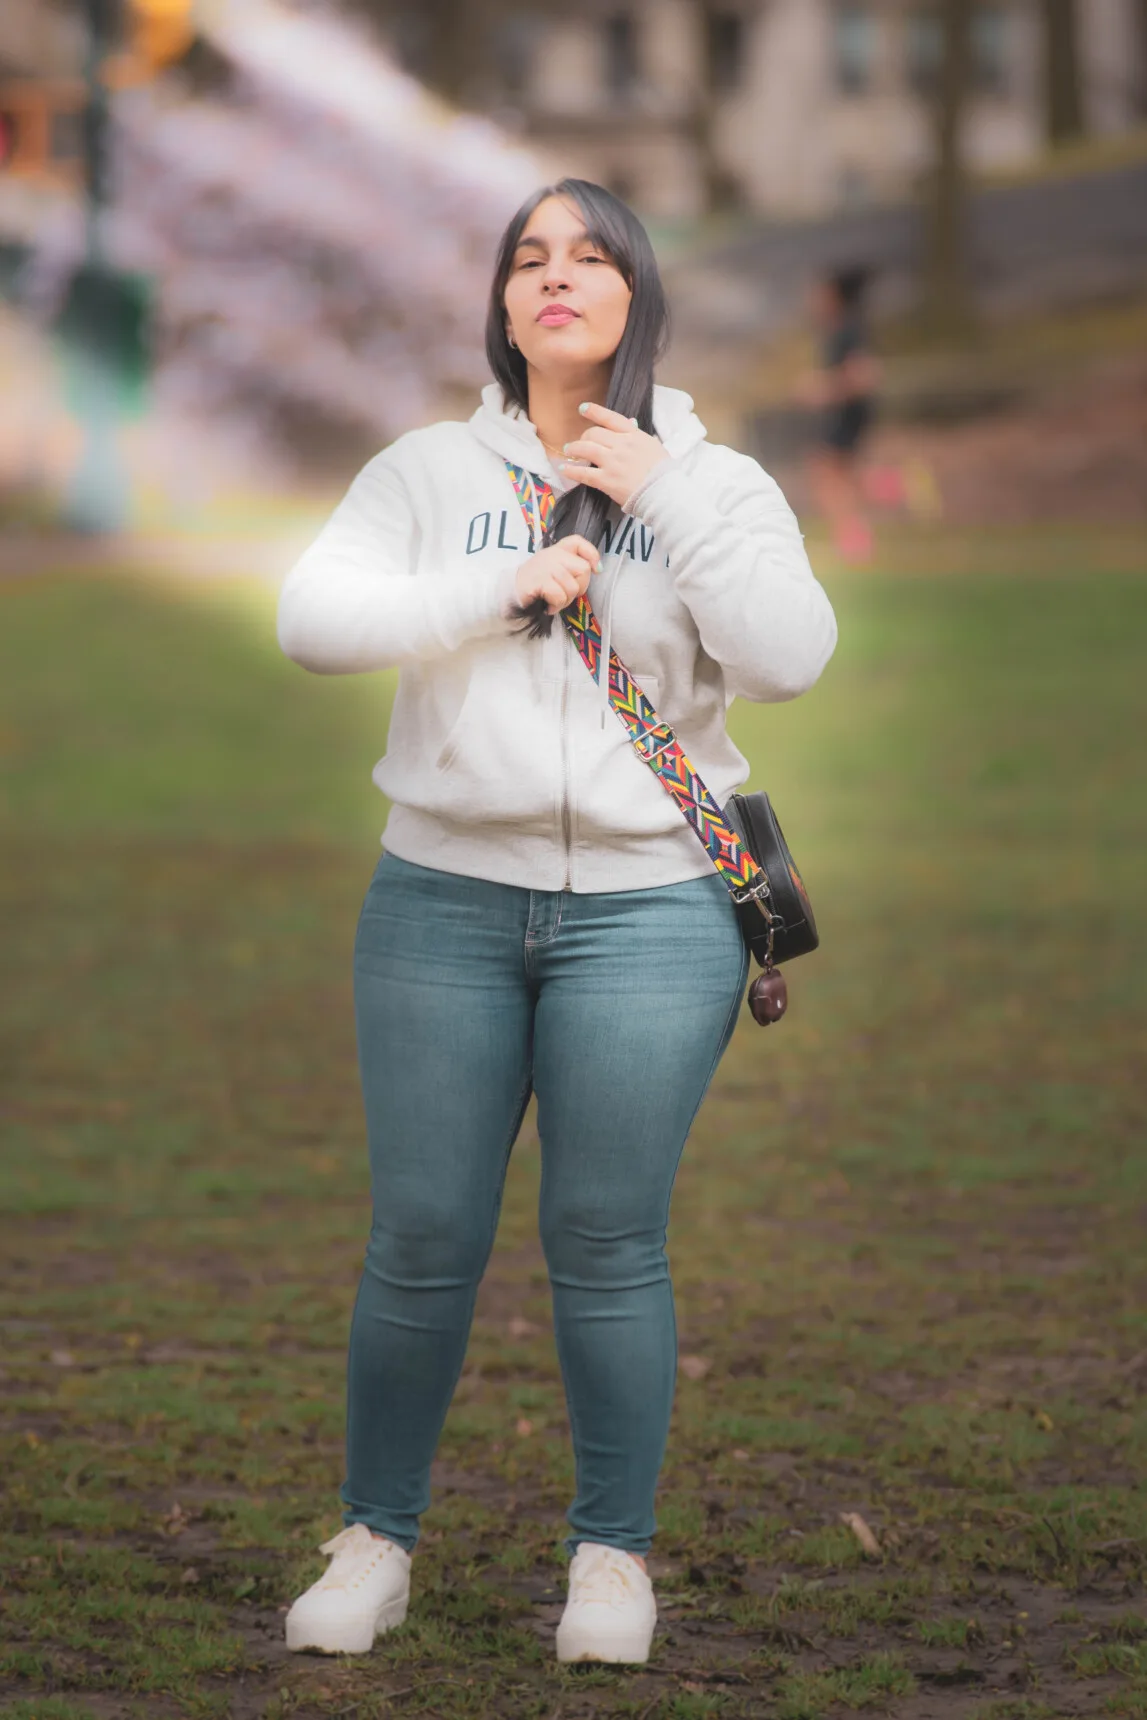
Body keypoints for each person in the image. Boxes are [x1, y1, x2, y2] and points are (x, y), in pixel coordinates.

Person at [275, 177, 836, 1666]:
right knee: (422, 1234)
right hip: (441, 904)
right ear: (502, 303)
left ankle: (609, 1563)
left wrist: (659, 493)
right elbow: (313, 619)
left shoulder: (717, 485)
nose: (556, 276)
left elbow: (787, 656)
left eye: (590, 255)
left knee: (604, 1238)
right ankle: (372, 1540)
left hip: (652, 917)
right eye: (529, 257)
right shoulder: (421, 472)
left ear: (637, 294)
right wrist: (492, 584)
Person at [795, 266, 882, 564]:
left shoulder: (848, 330)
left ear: (835, 297)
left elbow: (864, 376)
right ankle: (895, 488)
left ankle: (855, 542)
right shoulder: (838, 330)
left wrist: (824, 388)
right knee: (838, 476)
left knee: (827, 474)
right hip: (846, 413)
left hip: (849, 414)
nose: (813, 299)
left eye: (820, 293)